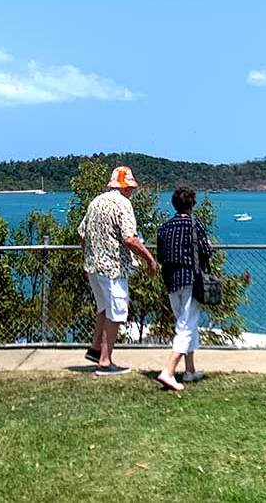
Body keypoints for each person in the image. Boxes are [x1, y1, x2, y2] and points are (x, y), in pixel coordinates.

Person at [79, 165, 159, 376]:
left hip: (93, 266)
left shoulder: (96, 202)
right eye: (130, 187)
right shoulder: (123, 205)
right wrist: (150, 260)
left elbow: (82, 234)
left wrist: (87, 256)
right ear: (125, 187)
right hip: (113, 268)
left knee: (104, 308)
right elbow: (129, 238)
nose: (132, 191)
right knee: (116, 312)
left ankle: (96, 350)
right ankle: (105, 362)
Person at [154, 187, 212, 391]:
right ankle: (168, 372)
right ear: (192, 204)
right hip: (191, 279)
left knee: (185, 322)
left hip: (170, 280)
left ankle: (189, 370)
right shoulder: (195, 225)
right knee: (186, 326)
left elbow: (160, 256)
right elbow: (206, 251)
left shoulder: (165, 227)